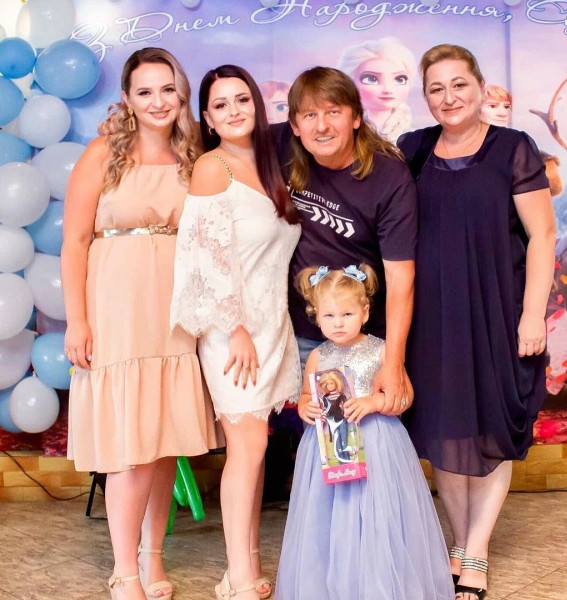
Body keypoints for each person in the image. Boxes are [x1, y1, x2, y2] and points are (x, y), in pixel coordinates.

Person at [397, 44, 556, 600]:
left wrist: (532, 315)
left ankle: (477, 552)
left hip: (498, 314)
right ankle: (460, 543)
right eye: (436, 88)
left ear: (480, 87)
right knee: (446, 431)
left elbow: (542, 236)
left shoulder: (513, 148)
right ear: (425, 96)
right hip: (432, 321)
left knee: (491, 429)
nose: (449, 97)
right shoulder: (412, 149)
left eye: (459, 84)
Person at [62, 48, 219, 600]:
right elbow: (74, 241)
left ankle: (153, 560)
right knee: (130, 445)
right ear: (128, 98)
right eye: (145, 91)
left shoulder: (195, 155)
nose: (158, 101)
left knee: (164, 439)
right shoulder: (103, 152)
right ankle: (123, 569)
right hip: (116, 307)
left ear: (182, 93)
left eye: (168, 89)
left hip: (175, 309)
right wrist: (77, 320)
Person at [170, 64, 301, 600]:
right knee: (245, 447)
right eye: (220, 104)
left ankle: (245, 565)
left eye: (241, 99)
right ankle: (237, 575)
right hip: (232, 332)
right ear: (207, 117)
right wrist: (236, 329)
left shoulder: (272, 164)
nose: (233, 111)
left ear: (256, 105)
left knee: (256, 446)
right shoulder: (211, 167)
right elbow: (205, 260)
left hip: (272, 324)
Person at [275, 264, 455, 600]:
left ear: (365, 312)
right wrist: (306, 408)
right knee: (333, 517)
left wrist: (373, 402)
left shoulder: (382, 351)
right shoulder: (317, 356)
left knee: (377, 514)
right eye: (329, 315)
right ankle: (338, 586)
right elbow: (306, 396)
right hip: (331, 449)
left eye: (347, 314)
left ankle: (380, 584)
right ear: (316, 316)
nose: (338, 323)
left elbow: (405, 397)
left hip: (377, 446)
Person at [271, 66, 417, 417]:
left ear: (356, 118)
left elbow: (401, 278)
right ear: (294, 125)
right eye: (310, 115)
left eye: (333, 112)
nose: (321, 126)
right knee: (318, 439)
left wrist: (393, 362)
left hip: (364, 339)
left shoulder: (388, 176)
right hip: (302, 334)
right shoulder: (280, 145)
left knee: (368, 433)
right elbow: (224, 134)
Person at [338, 37, 416, 142]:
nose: (387, 89)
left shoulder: (414, 139)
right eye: (371, 79)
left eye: (399, 79)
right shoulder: (344, 134)